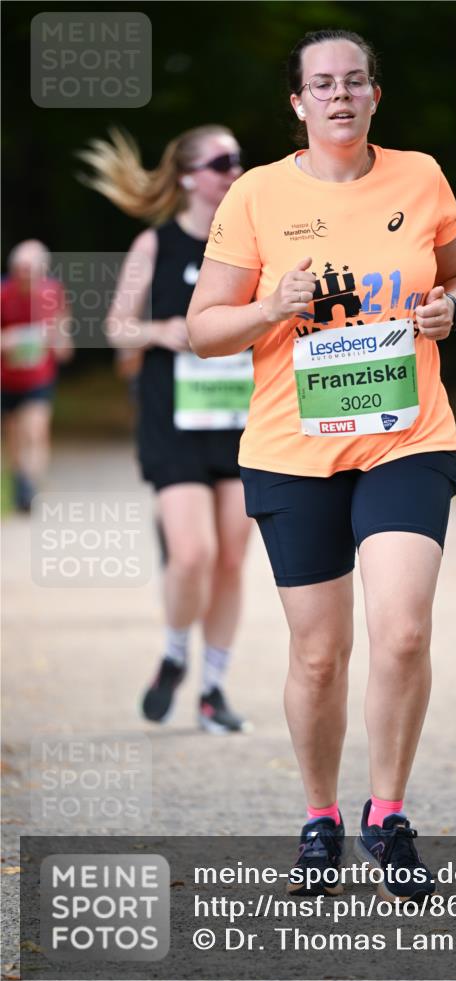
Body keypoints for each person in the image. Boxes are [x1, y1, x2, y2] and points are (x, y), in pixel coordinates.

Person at [188, 29, 456, 900]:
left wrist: (449, 313)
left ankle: (386, 813)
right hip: (292, 450)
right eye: (323, 85)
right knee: (319, 655)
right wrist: (269, 306)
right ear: (298, 103)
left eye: (355, 82)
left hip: (408, 436)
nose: (340, 97)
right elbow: (206, 328)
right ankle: (319, 816)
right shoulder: (255, 196)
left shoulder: (420, 176)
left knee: (402, 628)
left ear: (375, 96)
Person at [77, 126, 254, 733]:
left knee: (232, 557)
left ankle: (213, 689)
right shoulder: (155, 244)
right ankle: (176, 654)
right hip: (173, 421)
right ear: (187, 177)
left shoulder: (253, 240)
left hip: (239, 419)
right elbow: (115, 325)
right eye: (220, 161)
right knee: (193, 554)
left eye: (238, 159)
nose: (234, 170)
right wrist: (161, 331)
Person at [1, 240, 73, 511]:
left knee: (36, 430)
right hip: (7, 378)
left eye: (31, 269)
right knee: (14, 436)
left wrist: (59, 341)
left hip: (38, 378)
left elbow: (62, 329)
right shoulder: (3, 293)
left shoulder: (52, 292)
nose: (25, 274)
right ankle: (20, 479)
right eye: (20, 269)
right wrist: (11, 340)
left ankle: (31, 485)